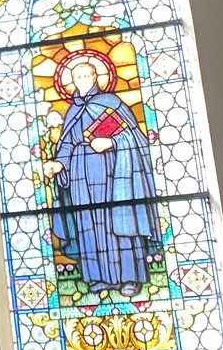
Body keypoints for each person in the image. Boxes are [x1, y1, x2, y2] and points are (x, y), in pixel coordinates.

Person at [43, 56, 158, 294]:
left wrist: (111, 142)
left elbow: (134, 136)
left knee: (119, 217)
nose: (83, 80)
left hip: (113, 171)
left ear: (96, 77)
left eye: (87, 75)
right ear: (72, 81)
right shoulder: (73, 110)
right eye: (78, 77)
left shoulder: (111, 103)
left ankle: (130, 277)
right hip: (80, 174)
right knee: (88, 222)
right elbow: (68, 143)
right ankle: (98, 277)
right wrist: (59, 164)